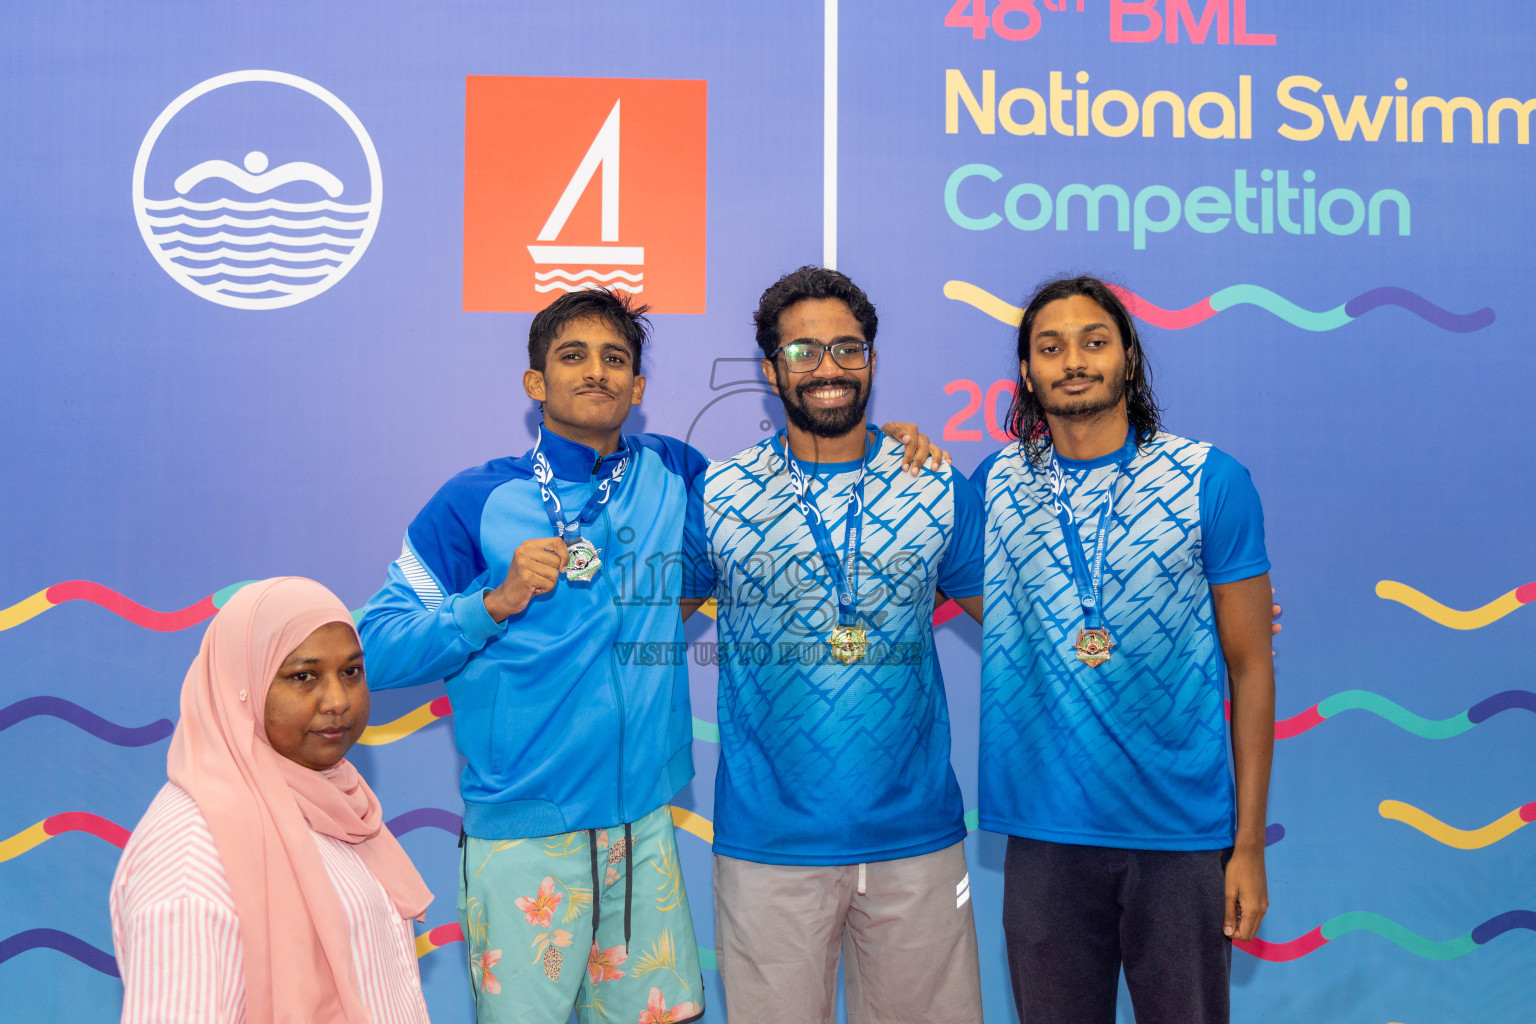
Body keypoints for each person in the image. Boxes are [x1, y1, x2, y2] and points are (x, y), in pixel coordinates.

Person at [356, 288, 946, 1024]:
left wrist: (886, 450)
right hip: (523, 837)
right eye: (572, 357)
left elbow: (797, 486)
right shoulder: (473, 501)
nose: (596, 372)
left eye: (616, 359)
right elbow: (371, 652)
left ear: (638, 388)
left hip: (643, 834)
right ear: (534, 383)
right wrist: (488, 604)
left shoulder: (680, 473)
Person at [970, 275, 1275, 1024]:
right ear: (1027, 372)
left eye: (1094, 341)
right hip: (1046, 836)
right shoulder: (991, 485)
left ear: (1128, 359)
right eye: (1051, 347)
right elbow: (957, 589)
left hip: (1180, 837)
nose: (1074, 361)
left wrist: (1247, 847)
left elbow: (1251, 668)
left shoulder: (1211, 480)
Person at [692, 266, 986, 1023]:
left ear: (872, 361)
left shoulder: (935, 484)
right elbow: (640, 622)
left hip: (916, 839)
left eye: (847, 349)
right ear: (770, 370)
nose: (828, 368)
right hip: (769, 845)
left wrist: (1195, 613)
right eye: (803, 352)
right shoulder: (720, 494)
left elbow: (1020, 620)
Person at [110, 576, 434, 1024]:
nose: (338, 700)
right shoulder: (194, 860)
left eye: (351, 672)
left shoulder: (333, 802)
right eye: (303, 676)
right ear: (242, 686)